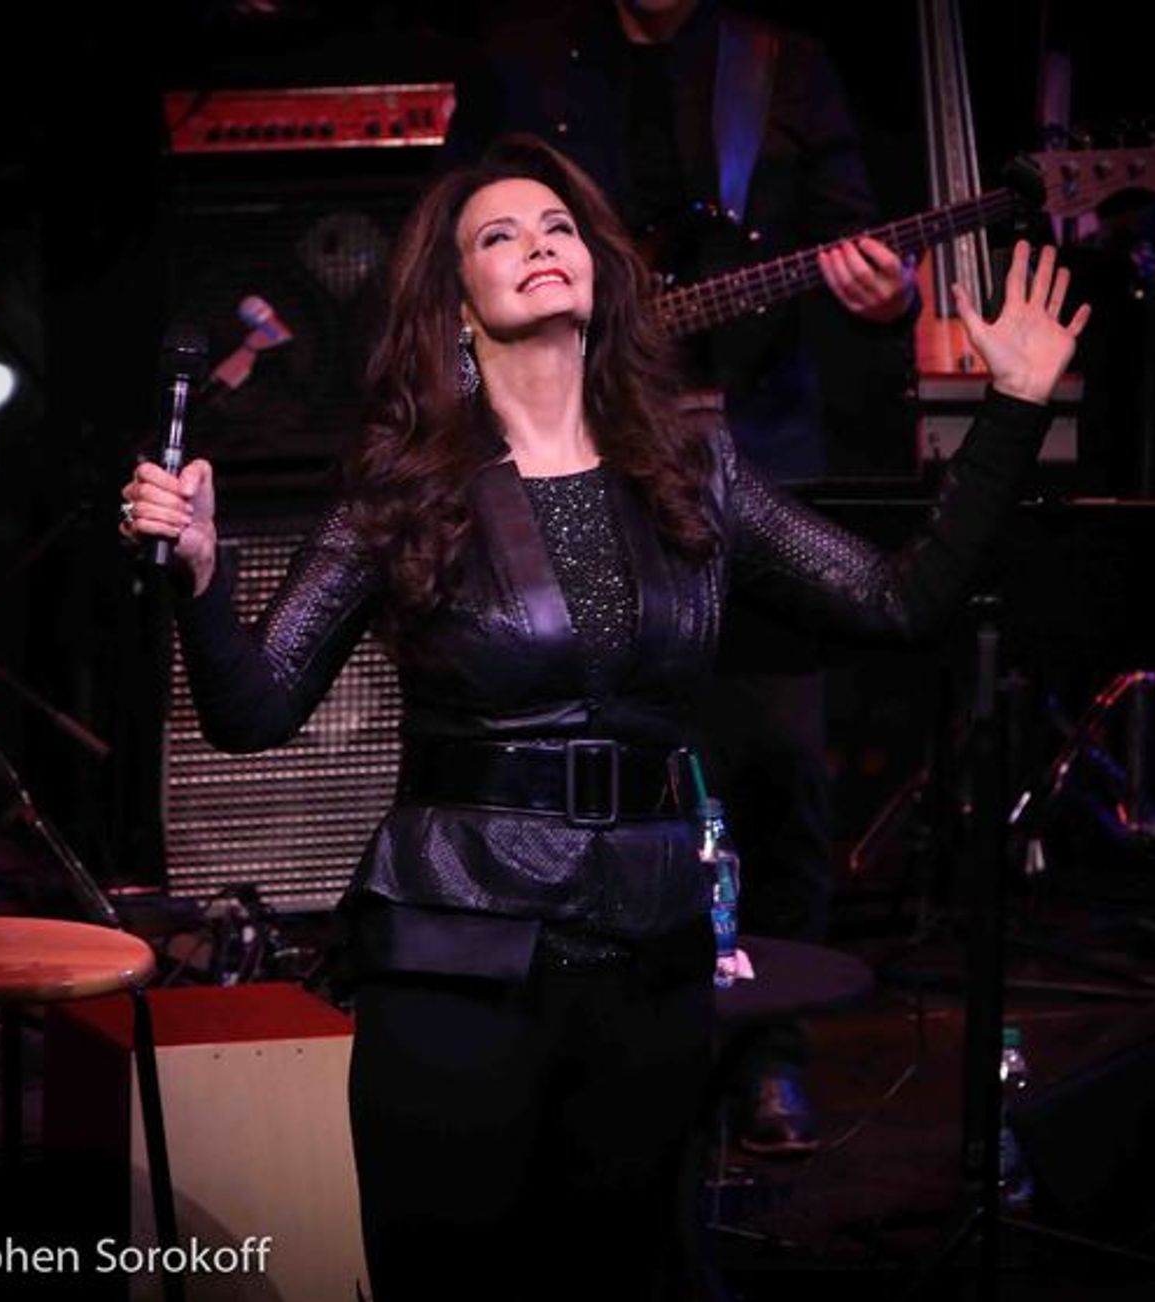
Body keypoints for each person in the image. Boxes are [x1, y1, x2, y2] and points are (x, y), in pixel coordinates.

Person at [119, 134, 1086, 1301]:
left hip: (646, 955)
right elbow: (254, 710)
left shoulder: (695, 469)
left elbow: (899, 599)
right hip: (455, 961)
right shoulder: (404, 482)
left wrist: (1014, 405)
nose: (538, 246)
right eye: (499, 236)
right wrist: (204, 578)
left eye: (558, 228)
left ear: (598, 270)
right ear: (454, 301)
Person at [442, 0, 918, 1155]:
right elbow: (451, 235)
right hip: (565, 457)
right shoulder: (520, 52)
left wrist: (887, 297)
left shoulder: (779, 60)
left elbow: (856, 241)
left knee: (777, 771)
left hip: (740, 454)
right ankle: (571, 1042)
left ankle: (767, 1058)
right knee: (586, 763)